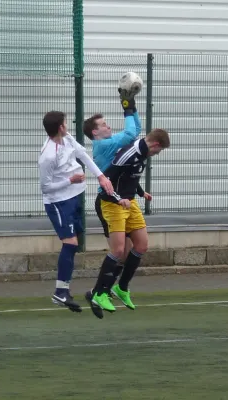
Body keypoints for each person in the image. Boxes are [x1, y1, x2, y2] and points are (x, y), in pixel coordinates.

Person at [86, 128, 170, 318]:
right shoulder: (129, 153)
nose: (158, 154)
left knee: (141, 245)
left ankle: (122, 288)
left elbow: (131, 175)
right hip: (112, 203)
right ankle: (99, 294)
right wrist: (118, 199)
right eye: (159, 150)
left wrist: (141, 193)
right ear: (155, 145)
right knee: (118, 251)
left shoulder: (142, 153)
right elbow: (106, 180)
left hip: (129, 202)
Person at [83, 90, 152, 317]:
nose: (108, 126)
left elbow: (135, 131)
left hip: (123, 199)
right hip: (109, 200)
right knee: (120, 250)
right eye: (103, 125)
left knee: (131, 249)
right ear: (95, 132)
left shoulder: (110, 143)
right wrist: (127, 107)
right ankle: (99, 292)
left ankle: (104, 290)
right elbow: (132, 132)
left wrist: (131, 106)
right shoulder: (103, 145)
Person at [38, 111, 113, 313]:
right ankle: (60, 292)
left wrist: (101, 177)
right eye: (65, 123)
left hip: (75, 197)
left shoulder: (67, 139)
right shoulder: (48, 155)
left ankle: (63, 290)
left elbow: (83, 155)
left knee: (74, 244)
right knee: (69, 243)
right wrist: (70, 180)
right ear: (60, 127)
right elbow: (45, 188)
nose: (68, 125)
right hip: (58, 202)